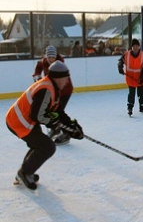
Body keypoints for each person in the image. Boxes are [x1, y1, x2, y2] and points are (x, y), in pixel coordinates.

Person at [5, 61, 84, 190]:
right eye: (65, 78)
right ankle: (25, 173)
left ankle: (25, 171)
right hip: (19, 122)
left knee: (40, 145)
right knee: (47, 147)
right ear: (57, 78)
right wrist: (56, 124)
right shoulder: (46, 89)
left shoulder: (53, 88)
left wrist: (71, 125)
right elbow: (37, 115)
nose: (67, 82)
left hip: (23, 120)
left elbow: (57, 111)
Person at [32, 45, 74, 145]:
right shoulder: (43, 62)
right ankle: (55, 129)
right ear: (46, 57)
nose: (51, 59)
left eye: (53, 57)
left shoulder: (59, 64)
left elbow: (59, 83)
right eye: (49, 57)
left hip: (64, 91)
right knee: (50, 111)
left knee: (57, 112)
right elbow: (37, 69)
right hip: (53, 91)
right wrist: (37, 78)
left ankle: (66, 134)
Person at [117, 38, 143, 116]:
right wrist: (120, 68)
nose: (135, 47)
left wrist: (142, 77)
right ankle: (130, 108)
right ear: (131, 47)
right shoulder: (126, 54)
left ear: (139, 46)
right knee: (131, 94)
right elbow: (120, 61)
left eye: (137, 45)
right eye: (134, 46)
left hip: (140, 79)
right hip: (131, 78)